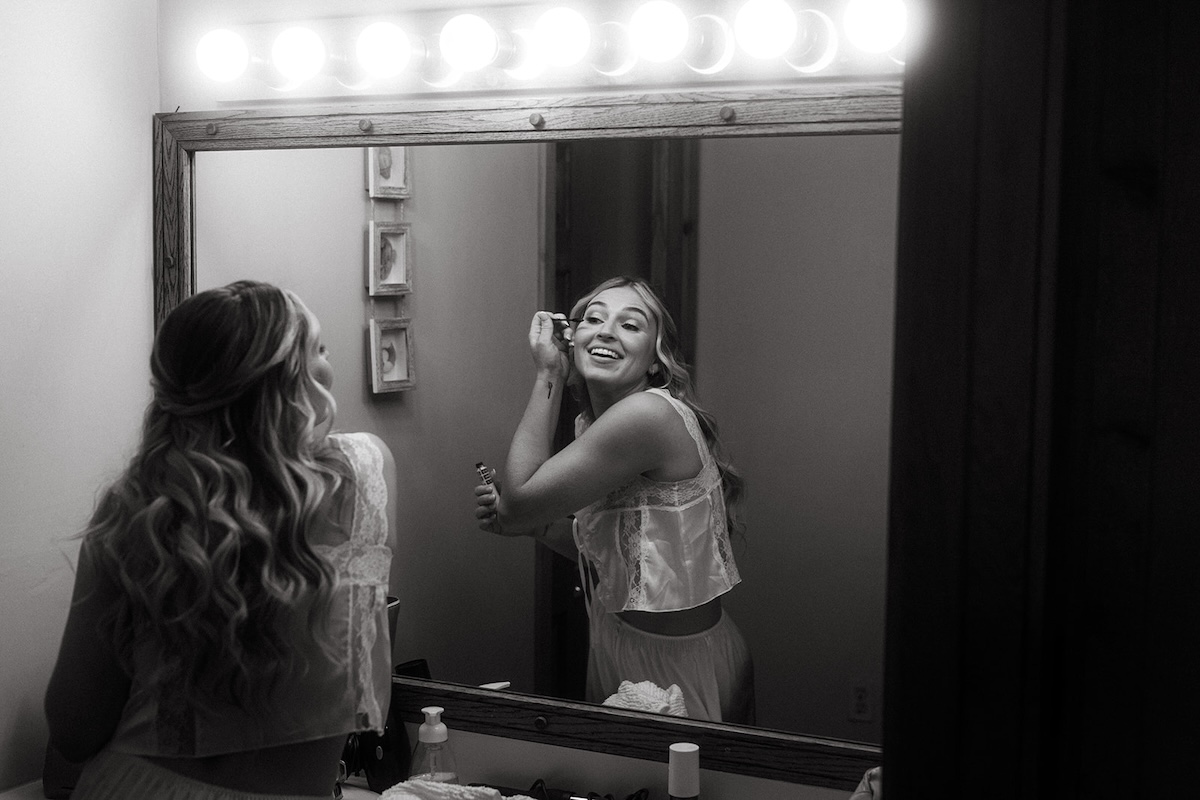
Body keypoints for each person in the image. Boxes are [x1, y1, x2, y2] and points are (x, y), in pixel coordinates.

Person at [44, 280, 397, 799]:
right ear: (287, 378)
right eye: (318, 348)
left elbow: (74, 730)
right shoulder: (367, 473)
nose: (329, 362)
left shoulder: (139, 506)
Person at [474, 276, 754, 724]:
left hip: (677, 662)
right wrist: (535, 525)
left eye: (630, 324)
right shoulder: (592, 424)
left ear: (656, 360)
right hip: (616, 639)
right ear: (574, 337)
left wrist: (548, 373)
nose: (606, 331)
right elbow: (621, 552)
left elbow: (519, 500)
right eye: (594, 319)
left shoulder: (647, 415)